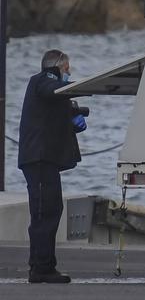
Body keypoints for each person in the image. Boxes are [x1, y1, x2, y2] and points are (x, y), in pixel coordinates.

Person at [18, 50, 87, 284]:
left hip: (44, 161)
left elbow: (54, 111)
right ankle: (41, 268)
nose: (68, 72)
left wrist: (73, 116)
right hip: (38, 160)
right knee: (43, 212)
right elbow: (51, 90)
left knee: (51, 210)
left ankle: (42, 266)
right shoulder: (43, 80)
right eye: (66, 69)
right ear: (56, 67)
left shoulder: (51, 92)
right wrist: (80, 87)